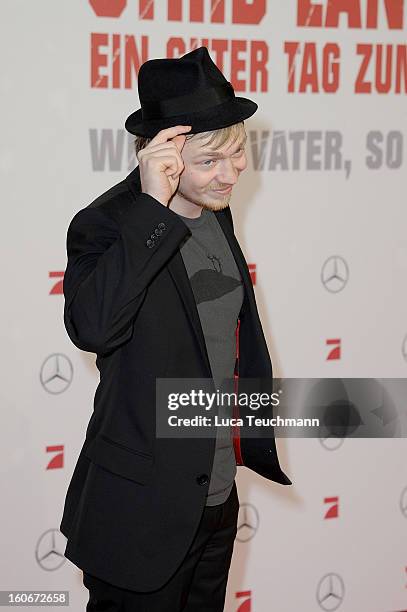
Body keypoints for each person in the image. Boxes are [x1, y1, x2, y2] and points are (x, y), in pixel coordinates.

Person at [60, 46, 291, 612]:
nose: (232, 173)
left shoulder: (216, 214)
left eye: (238, 155)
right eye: (211, 160)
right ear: (160, 157)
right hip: (139, 515)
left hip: (214, 502)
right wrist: (152, 208)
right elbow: (92, 327)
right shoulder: (107, 225)